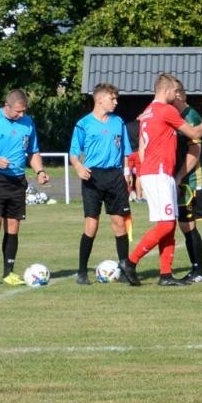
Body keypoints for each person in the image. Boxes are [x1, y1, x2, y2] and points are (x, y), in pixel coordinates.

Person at [122, 74, 202, 287]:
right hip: (159, 172)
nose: (176, 96)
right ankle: (130, 261)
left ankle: (165, 274)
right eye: (174, 91)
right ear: (165, 91)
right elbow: (193, 132)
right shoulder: (166, 110)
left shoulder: (147, 111)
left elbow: (144, 145)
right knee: (166, 225)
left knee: (168, 223)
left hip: (153, 171)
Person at [0, 89, 51, 285]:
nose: (21, 115)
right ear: (7, 106)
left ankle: (9, 273)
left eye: (24, 111)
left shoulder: (28, 123)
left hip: (17, 180)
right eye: (17, 111)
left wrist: (40, 171)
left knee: (13, 226)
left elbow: (33, 151)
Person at [69, 82, 134, 284]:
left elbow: (125, 150)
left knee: (119, 224)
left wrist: (126, 172)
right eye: (112, 98)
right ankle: (82, 272)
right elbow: (73, 153)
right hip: (93, 177)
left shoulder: (118, 122)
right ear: (99, 99)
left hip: (114, 176)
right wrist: (79, 166)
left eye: (116, 99)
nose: (115, 102)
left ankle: (125, 270)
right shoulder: (83, 124)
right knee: (91, 224)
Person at [173, 83, 202, 283]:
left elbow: (195, 152)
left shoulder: (191, 117)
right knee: (184, 225)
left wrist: (180, 175)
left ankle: (198, 270)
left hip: (194, 179)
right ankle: (196, 269)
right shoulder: (179, 117)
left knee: (188, 225)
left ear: (179, 95)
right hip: (185, 179)